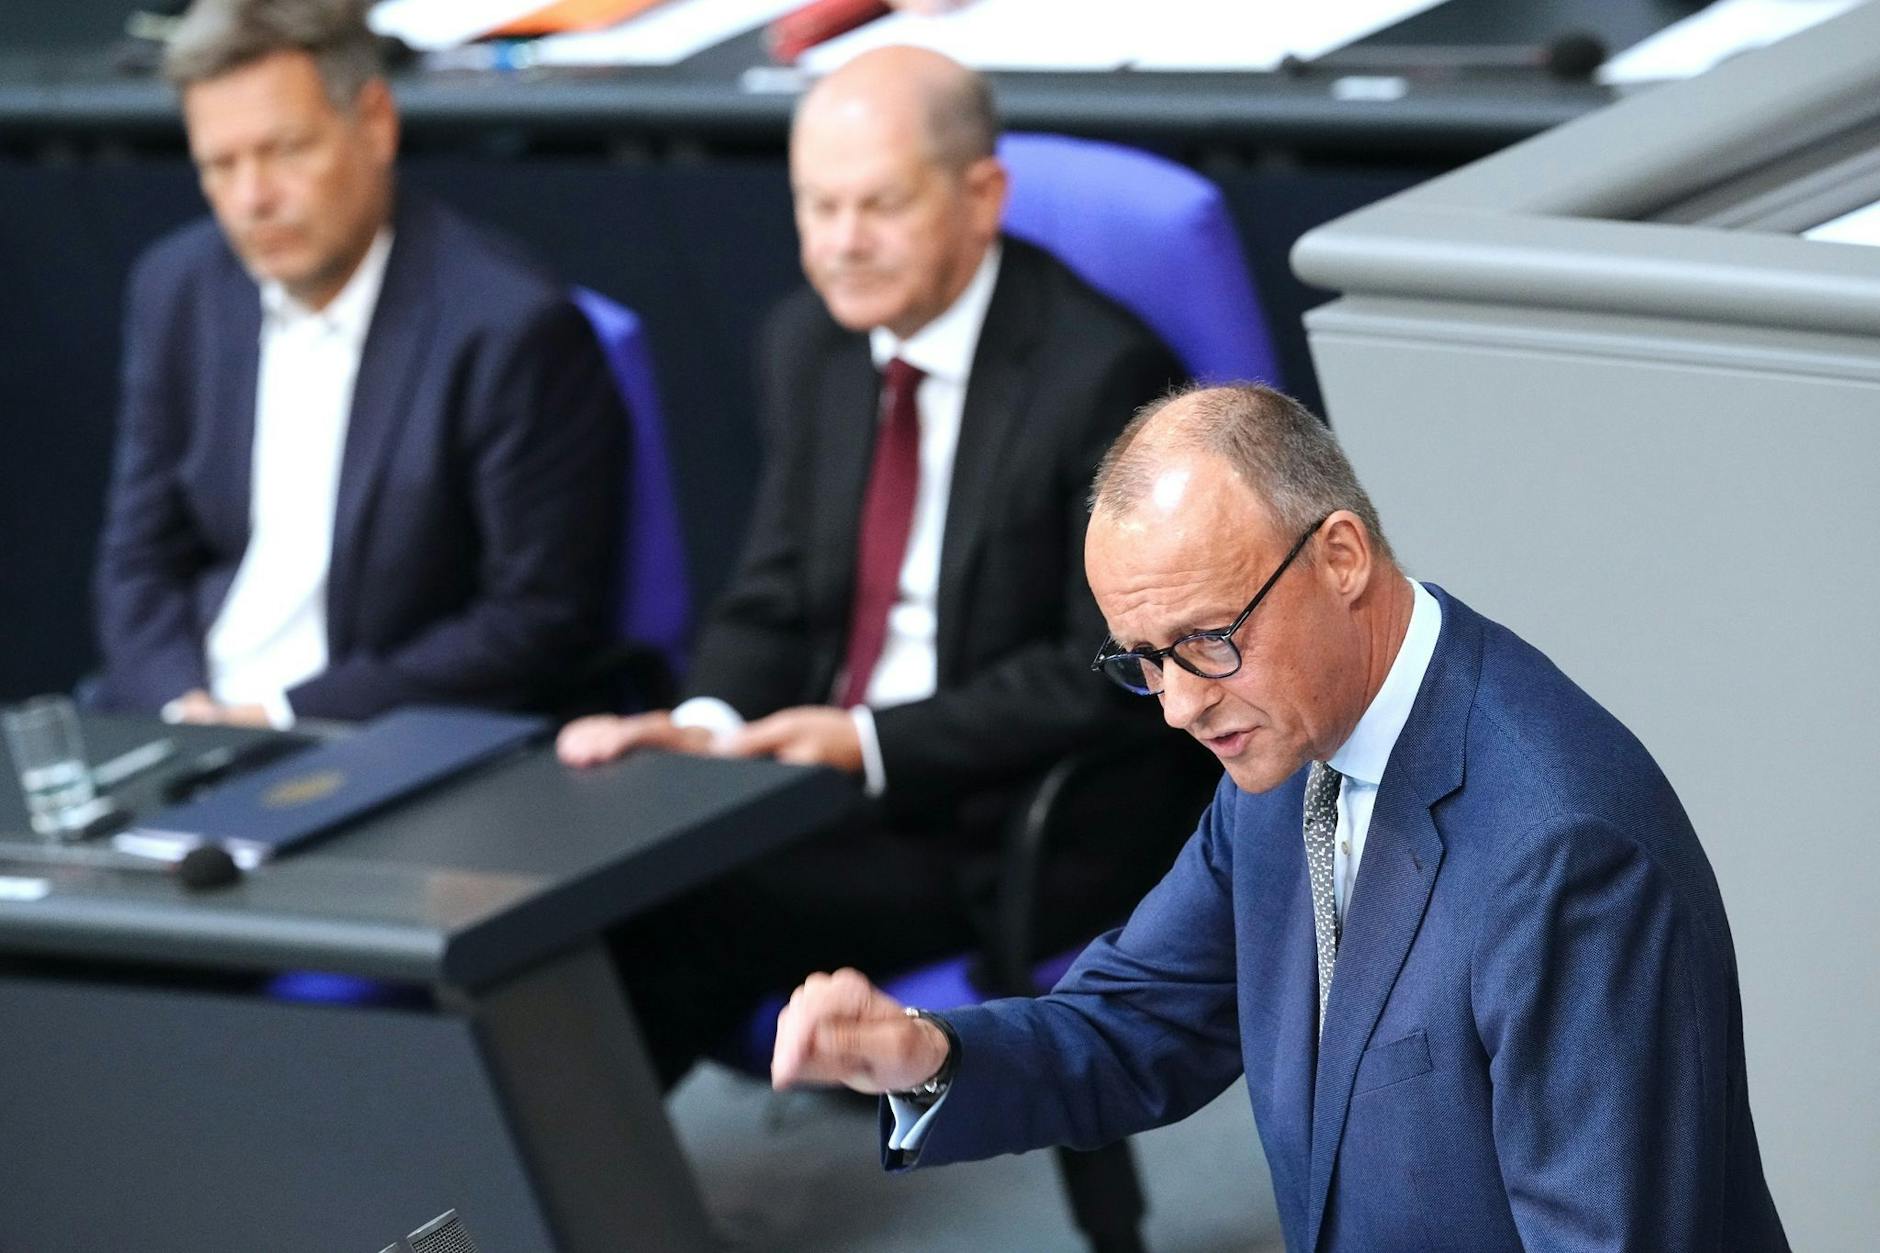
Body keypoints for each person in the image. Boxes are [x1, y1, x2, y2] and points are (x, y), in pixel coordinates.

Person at [772, 384, 1789, 1251]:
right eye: (1142, 658)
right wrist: (926, 1054)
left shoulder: (1561, 850)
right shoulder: (1282, 754)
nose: (1177, 704)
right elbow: (1136, 1027)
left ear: (1339, 556)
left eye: (1206, 639)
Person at [558, 46, 1189, 1084]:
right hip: (828, 790)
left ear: (981, 195)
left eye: (878, 206)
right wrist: (707, 726)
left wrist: (864, 741)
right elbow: (772, 592)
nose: (840, 245)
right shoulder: (805, 344)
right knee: (595, 862)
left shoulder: (1098, 371)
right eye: (816, 207)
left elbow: (1106, 670)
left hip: (1007, 813)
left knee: (651, 923)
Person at [93, 0, 624, 727]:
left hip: (378, 734)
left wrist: (282, 717)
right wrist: (181, 709)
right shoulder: (177, 288)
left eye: (285, 150)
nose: (253, 199)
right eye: (220, 165)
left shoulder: (505, 324)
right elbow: (138, 560)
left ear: (375, 122)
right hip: (187, 716)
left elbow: (534, 619)